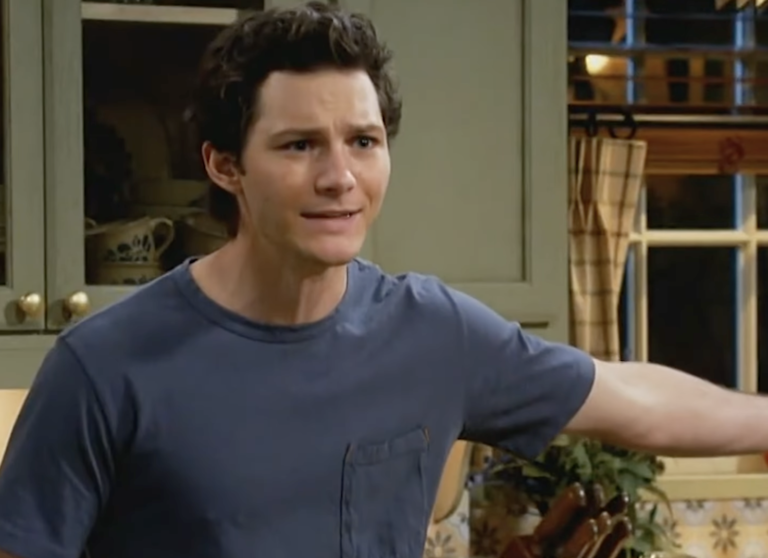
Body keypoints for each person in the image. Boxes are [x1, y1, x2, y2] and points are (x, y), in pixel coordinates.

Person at [0, 3, 764, 558]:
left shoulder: (433, 333)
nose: (340, 177)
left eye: (363, 141)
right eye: (299, 145)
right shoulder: (103, 368)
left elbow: (631, 400)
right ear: (225, 164)